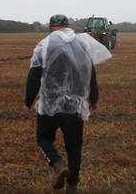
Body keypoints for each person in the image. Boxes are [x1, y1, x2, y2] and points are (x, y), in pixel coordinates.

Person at [23, 14, 99, 194]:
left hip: (49, 106)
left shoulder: (44, 44)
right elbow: (90, 72)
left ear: (51, 27)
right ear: (67, 26)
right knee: (74, 147)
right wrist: (94, 98)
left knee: (43, 139)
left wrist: (28, 101)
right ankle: (72, 185)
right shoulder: (81, 44)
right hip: (74, 106)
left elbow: (34, 76)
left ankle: (57, 164)